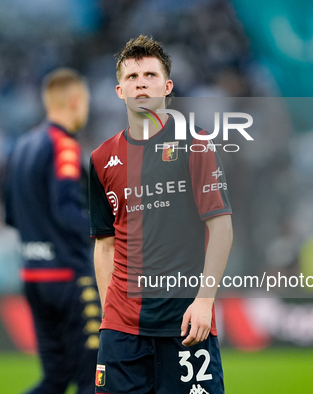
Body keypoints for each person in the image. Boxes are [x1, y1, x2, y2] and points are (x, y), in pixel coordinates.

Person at [89, 36, 233, 394]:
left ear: (167, 87)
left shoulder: (196, 143)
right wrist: (111, 317)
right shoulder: (101, 159)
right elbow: (105, 244)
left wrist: (204, 301)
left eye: (150, 74)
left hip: (185, 323)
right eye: (132, 75)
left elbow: (222, 228)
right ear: (119, 90)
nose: (141, 82)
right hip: (122, 334)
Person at [3, 68, 99, 394]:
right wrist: (112, 234)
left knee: (56, 379)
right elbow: (66, 208)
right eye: (85, 101)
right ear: (75, 101)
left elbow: (11, 216)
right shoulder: (64, 145)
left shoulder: (21, 146)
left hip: (33, 276)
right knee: (92, 381)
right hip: (69, 277)